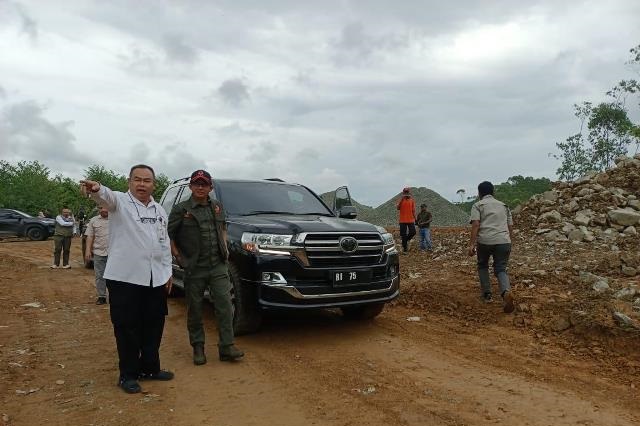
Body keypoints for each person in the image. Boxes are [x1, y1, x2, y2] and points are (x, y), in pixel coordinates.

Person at [80, 164, 174, 394]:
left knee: (154, 324)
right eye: (137, 179)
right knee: (127, 327)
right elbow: (105, 196)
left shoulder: (159, 210)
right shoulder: (120, 203)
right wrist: (96, 188)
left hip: (155, 278)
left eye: (147, 180)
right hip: (125, 278)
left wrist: (167, 271)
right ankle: (128, 374)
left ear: (154, 184)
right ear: (129, 182)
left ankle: (150, 368)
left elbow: (164, 241)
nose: (142, 184)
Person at [168, 169, 244, 365]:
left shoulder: (217, 207)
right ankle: (198, 347)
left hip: (217, 265)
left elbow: (223, 228)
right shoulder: (181, 209)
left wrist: (225, 250)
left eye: (204, 184)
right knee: (195, 309)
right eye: (196, 184)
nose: (200, 187)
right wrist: (178, 257)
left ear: (210, 187)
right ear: (191, 187)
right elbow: (169, 235)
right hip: (194, 267)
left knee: (225, 306)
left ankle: (227, 347)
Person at [467, 181, 515, 314]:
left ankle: (487, 294)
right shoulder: (504, 206)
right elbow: (510, 225)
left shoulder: (478, 205)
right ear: (493, 192)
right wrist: (510, 241)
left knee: (482, 265)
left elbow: (476, 224)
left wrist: (471, 244)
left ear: (479, 193)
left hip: (485, 241)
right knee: (500, 268)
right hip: (504, 241)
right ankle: (506, 292)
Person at [85, 205, 110, 305]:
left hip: (114, 253)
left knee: (114, 276)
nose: (104, 209)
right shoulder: (93, 220)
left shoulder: (117, 219)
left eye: (106, 207)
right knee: (99, 275)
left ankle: (115, 296)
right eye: (101, 208)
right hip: (98, 252)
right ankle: (102, 296)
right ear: (98, 209)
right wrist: (88, 250)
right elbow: (90, 236)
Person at [396, 187, 416, 253]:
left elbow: (413, 211)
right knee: (403, 234)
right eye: (405, 192)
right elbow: (398, 208)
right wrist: (402, 199)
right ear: (403, 193)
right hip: (402, 221)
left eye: (407, 192)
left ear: (409, 193)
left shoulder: (412, 200)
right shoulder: (401, 200)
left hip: (410, 220)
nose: (406, 194)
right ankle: (405, 249)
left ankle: (405, 240)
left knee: (413, 232)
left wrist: (415, 219)